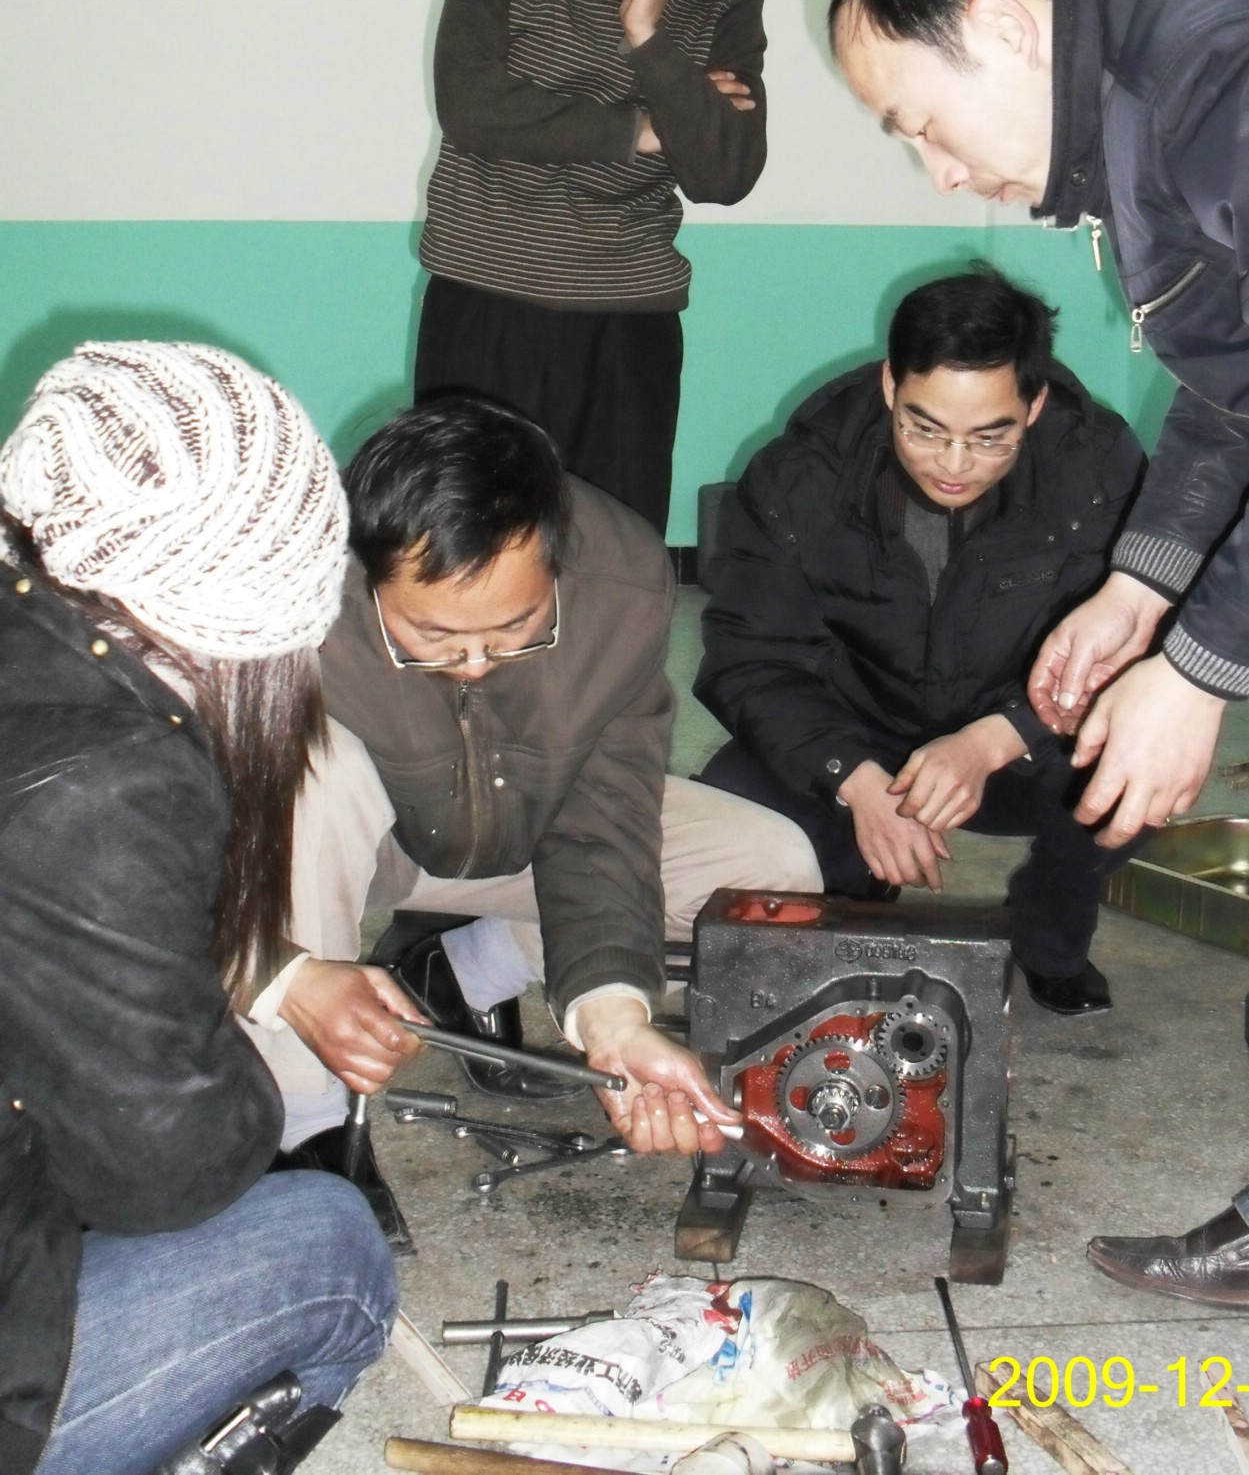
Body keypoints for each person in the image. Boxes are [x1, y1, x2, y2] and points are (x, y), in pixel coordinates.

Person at [828, 0, 1249, 1405]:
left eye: (921, 124)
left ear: (1003, 29)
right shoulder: (1148, 92)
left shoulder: (1241, 63)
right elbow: (1243, 387)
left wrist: (1200, 673)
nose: (940, 174)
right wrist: (1143, 589)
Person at [0, 341, 397, 1475]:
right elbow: (166, 1176)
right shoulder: (111, 779)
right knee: (332, 1250)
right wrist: (230, 1063)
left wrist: (272, 976)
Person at [251, 391, 823, 1169]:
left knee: (769, 867)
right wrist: (277, 977)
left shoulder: (620, 580)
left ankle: (463, 971)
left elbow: (606, 814)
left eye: (514, 628)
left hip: (518, 828)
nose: (474, 663)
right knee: (319, 768)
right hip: (339, 850)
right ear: (369, 574)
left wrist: (613, 1018)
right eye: (433, 634)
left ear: (558, 562)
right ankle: (303, 1129)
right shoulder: (288, 583)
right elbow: (162, 834)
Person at [694, 266, 1146, 1014]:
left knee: (1140, 766)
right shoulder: (801, 474)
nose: (954, 465)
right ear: (889, 386)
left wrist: (995, 739)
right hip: (860, 728)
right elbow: (750, 657)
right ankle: (856, 893)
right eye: (924, 429)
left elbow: (1135, 644)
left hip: (1024, 742)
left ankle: (1047, 935)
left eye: (990, 437)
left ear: (1033, 405)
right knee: (735, 803)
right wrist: (854, 777)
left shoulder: (1095, 466)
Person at [415, 0, 765, 533]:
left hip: (630, 320)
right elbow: (472, 107)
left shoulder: (725, 4)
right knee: (464, 543)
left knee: (618, 552)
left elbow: (724, 173)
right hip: (487, 297)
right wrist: (648, 126)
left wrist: (651, 42)